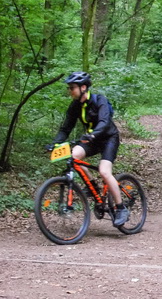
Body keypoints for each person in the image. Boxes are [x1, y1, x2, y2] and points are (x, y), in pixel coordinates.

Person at [51, 71, 129, 227]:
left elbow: (104, 121)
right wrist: (54, 144)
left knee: (104, 171)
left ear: (83, 87)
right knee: (73, 156)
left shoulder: (99, 100)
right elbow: (65, 128)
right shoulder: (75, 106)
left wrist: (93, 134)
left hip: (108, 138)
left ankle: (121, 208)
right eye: (69, 88)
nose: (70, 91)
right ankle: (92, 186)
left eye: (72, 87)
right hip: (90, 139)